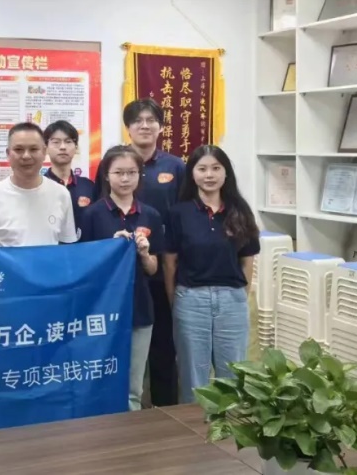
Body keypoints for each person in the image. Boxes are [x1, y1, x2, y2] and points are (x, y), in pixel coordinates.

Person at [164, 145, 259, 403]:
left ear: (226, 173)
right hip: (190, 299)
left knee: (233, 374)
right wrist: (176, 301)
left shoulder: (240, 211)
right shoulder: (179, 213)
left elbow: (247, 261)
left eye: (216, 168)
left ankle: (231, 426)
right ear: (192, 174)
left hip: (232, 300)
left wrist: (240, 296)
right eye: (202, 168)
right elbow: (170, 264)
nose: (209, 175)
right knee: (193, 377)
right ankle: (193, 426)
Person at [80, 146, 162, 411]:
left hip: (139, 308)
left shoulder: (150, 214)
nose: (125, 179)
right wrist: (110, 249)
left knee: (134, 387)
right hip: (101, 312)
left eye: (131, 172)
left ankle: (131, 432)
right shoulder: (92, 214)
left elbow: (154, 269)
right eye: (118, 173)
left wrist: (145, 254)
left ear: (139, 175)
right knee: (100, 380)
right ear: (106, 175)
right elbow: (85, 266)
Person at [123, 98, 186, 408]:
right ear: (128, 127)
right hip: (124, 271)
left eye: (151, 120)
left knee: (163, 344)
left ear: (161, 127)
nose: (144, 125)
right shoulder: (117, 161)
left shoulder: (175, 166)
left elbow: (185, 213)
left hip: (163, 268)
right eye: (137, 120)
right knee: (126, 346)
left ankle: (166, 411)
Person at [0, 122, 77, 247]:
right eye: (18, 150)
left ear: (44, 152)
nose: (26, 156)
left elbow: (67, 246)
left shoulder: (61, 194)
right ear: (8, 154)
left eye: (33, 149)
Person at [43, 120, 95, 230]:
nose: (62, 147)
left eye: (68, 141)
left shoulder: (89, 186)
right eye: (56, 142)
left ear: (76, 147)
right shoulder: (39, 187)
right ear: (46, 148)